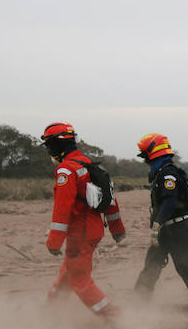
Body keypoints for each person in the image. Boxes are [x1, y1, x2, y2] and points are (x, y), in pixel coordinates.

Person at [42, 121, 126, 317]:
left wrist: (54, 241)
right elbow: (112, 201)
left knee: (79, 279)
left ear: (55, 145)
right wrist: (117, 230)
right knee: (67, 275)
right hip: (93, 231)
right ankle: (49, 313)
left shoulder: (67, 170)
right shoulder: (90, 166)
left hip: (80, 234)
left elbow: (62, 209)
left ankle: (115, 317)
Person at [133, 133, 188, 309]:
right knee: (152, 264)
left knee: (185, 265)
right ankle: (138, 301)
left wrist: (157, 224)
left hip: (177, 228)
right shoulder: (162, 171)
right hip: (167, 229)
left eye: (145, 155)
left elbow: (169, 201)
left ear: (152, 152)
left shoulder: (168, 173)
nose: (145, 159)